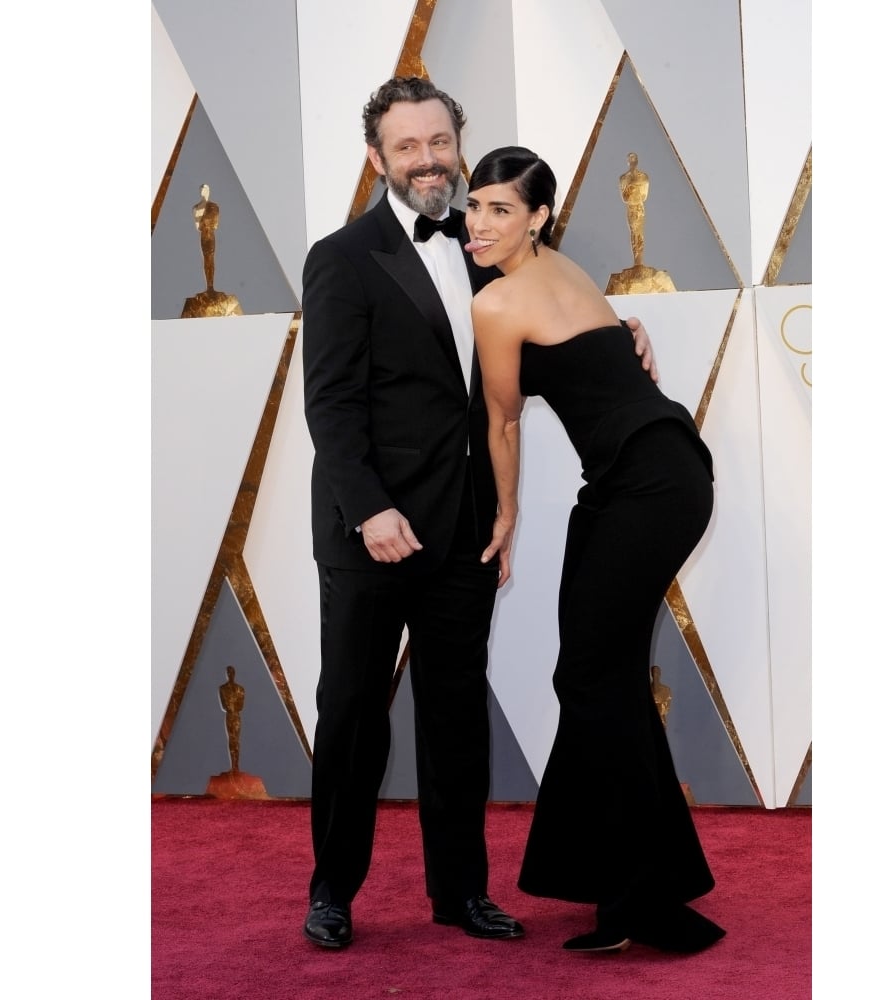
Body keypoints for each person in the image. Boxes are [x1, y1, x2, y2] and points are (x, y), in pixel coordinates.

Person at [300, 76, 657, 951]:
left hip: (463, 529)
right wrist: (371, 510)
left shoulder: (485, 245)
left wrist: (620, 336)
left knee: (455, 717)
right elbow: (332, 406)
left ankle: (460, 893)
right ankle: (331, 892)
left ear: (459, 144)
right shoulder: (342, 258)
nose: (429, 160)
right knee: (352, 716)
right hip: (372, 534)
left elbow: (524, 355)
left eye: (439, 142)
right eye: (408, 147)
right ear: (378, 159)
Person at [466, 146, 726, 955]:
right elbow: (592, 360)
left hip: (647, 481)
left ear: (538, 217)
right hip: (643, 473)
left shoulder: (500, 302)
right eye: (474, 206)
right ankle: (638, 882)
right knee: (596, 673)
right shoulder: (560, 271)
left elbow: (502, 420)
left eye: (501, 209)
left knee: (588, 674)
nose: (479, 222)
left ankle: (641, 898)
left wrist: (504, 515)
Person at [192, 183, 220, 291]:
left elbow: (215, 224)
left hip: (209, 235)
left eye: (205, 189)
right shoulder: (196, 208)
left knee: (210, 258)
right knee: (206, 259)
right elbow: (197, 226)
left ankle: (211, 285)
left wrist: (205, 222)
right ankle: (209, 285)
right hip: (204, 235)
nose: (203, 191)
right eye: (201, 189)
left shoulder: (214, 207)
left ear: (208, 191)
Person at [218, 665, 245, 773]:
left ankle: (236, 765)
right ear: (227, 674)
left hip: (235, 715)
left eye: (232, 672)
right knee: (231, 739)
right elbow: (224, 706)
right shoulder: (222, 689)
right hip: (230, 715)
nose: (230, 675)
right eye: (229, 673)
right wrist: (232, 707)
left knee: (236, 740)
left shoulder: (240, 689)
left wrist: (232, 706)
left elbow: (241, 705)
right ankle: (233, 765)